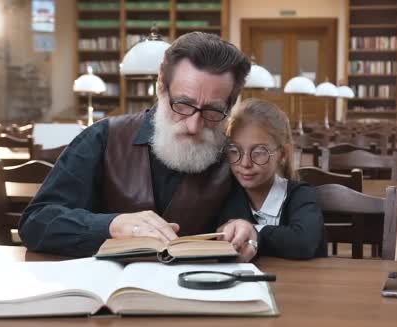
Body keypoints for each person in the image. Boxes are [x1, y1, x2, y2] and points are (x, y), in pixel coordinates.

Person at [19, 32, 259, 261]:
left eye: (213, 111)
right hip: (106, 295)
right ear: (161, 87)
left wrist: (245, 231)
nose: (194, 126)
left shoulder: (233, 155)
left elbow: (241, 223)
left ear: (230, 106)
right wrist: (111, 225)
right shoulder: (102, 138)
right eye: (183, 104)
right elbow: (36, 222)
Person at [219, 98, 326, 259]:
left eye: (260, 151)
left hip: (301, 281)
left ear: (282, 155)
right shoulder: (228, 195)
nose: (245, 163)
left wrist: (253, 231)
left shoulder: (302, 194)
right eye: (234, 150)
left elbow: (303, 243)